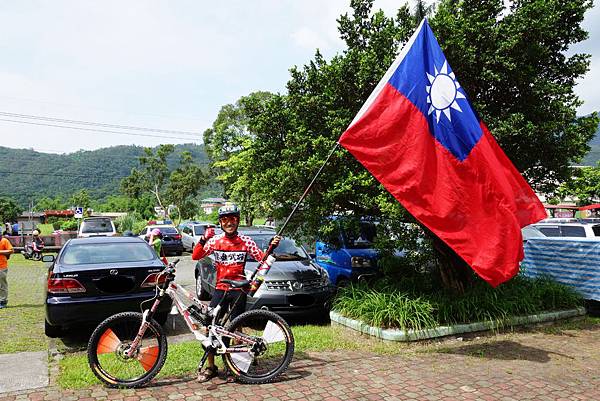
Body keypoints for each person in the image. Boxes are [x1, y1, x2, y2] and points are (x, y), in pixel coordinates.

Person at [191, 202, 281, 383]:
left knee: (236, 328)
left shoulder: (246, 241)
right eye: (224, 220)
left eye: (232, 219)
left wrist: (271, 247)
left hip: (238, 290)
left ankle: (236, 365)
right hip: (220, 289)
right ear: (221, 223)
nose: (229, 223)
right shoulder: (215, 241)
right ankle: (211, 367)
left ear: (237, 220)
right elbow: (195, 256)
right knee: (211, 326)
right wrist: (202, 239)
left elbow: (262, 259)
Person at [0, 234, 14, 308]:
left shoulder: (4, 241)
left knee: (2, 284)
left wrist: (0, 252)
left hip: (2, 266)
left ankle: (3, 301)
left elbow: (11, 250)